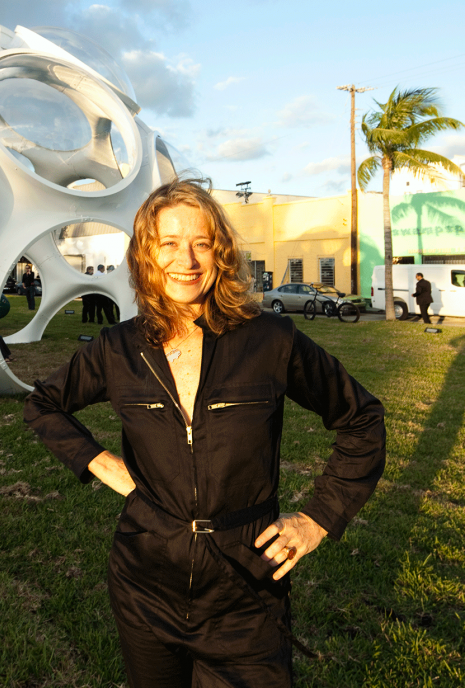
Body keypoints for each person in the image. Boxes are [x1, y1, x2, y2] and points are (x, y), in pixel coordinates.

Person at [24, 178, 385, 687]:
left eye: (202, 243)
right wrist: (102, 465)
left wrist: (316, 520)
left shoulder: (270, 339)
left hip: (245, 593)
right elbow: (43, 404)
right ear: (146, 255)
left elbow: (362, 419)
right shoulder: (117, 348)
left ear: (222, 253)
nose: (186, 260)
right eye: (169, 243)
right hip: (144, 586)